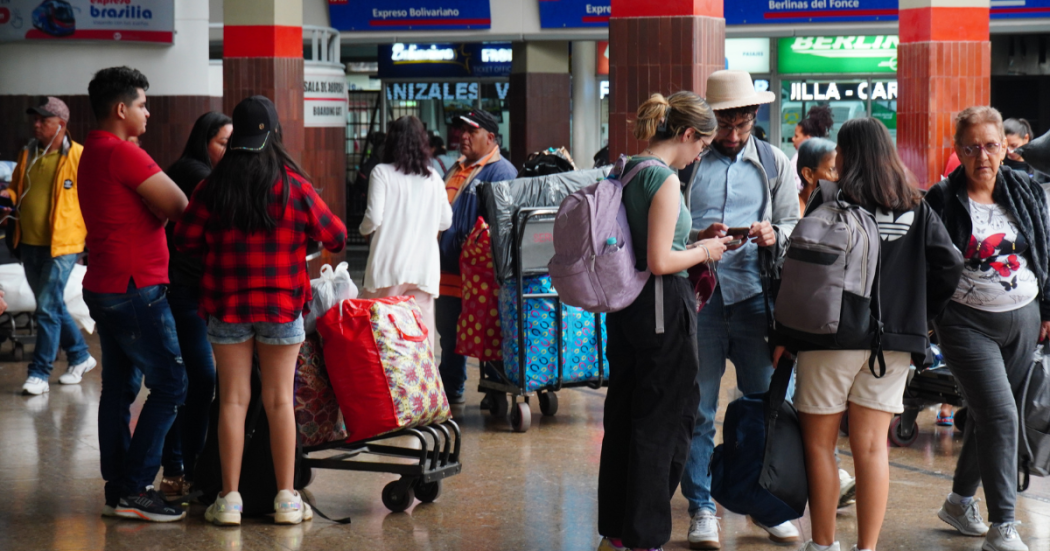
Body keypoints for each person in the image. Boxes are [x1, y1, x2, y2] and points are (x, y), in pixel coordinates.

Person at [782, 117, 963, 551]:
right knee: (872, 450)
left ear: (846, 154)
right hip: (895, 344)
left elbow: (804, 270)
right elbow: (950, 265)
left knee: (821, 447)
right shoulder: (915, 205)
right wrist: (920, 316)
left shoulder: (830, 199)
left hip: (830, 338)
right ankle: (867, 548)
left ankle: (823, 545)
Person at [174, 95, 347, 526]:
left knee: (232, 400)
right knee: (279, 401)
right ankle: (286, 499)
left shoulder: (213, 185)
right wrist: (300, 245)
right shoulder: (294, 185)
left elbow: (184, 241)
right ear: (274, 134)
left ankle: (229, 499)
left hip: (227, 305)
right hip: (282, 305)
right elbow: (338, 235)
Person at [596, 91, 729, 551]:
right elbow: (658, 260)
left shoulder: (627, 167)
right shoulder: (666, 180)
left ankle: (616, 528)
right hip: (660, 307)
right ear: (688, 134)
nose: (700, 155)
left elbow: (646, 236)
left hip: (625, 308)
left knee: (626, 414)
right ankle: (645, 536)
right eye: (702, 145)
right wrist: (707, 251)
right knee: (665, 421)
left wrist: (693, 237)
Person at [679, 69, 801, 548]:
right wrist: (698, 237)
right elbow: (668, 233)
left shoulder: (775, 163)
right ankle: (702, 505)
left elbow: (794, 222)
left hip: (756, 301)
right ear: (709, 120)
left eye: (742, 125)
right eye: (724, 126)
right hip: (701, 301)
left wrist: (776, 234)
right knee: (700, 408)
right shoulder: (687, 164)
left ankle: (764, 503)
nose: (732, 136)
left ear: (754, 118)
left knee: (763, 408)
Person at [926, 106, 1050, 551]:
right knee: (1000, 414)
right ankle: (1004, 525)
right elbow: (927, 266)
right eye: (972, 147)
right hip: (964, 323)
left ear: (1006, 147)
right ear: (958, 150)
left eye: (992, 145)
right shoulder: (941, 199)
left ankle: (960, 502)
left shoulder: (1026, 190)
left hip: (1025, 317)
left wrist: (1047, 311)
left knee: (990, 415)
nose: (983, 155)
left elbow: (1044, 250)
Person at [79, 66, 190, 522]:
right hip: (135, 288)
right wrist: (155, 212)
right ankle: (136, 488)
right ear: (122, 109)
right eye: (143, 104)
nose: (148, 112)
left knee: (119, 388)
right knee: (171, 383)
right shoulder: (125, 155)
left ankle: (118, 486)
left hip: (105, 286)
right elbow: (179, 204)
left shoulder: (90, 152)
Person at [156, 111, 232, 498]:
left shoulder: (199, 170)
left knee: (189, 379)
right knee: (195, 377)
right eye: (223, 143)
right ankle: (181, 465)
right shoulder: (197, 174)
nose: (229, 150)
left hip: (195, 289)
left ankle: (185, 464)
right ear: (205, 141)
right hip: (183, 289)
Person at [7, 96, 96, 395]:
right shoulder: (28, 153)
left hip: (64, 245)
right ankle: (81, 356)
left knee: (45, 307)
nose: (36, 124)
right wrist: (7, 196)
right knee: (53, 304)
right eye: (35, 119)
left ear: (61, 124)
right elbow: (17, 186)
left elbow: (95, 197)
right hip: (29, 242)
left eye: (43, 120)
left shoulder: (79, 156)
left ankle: (39, 373)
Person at [436, 110, 517, 404]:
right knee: (449, 333)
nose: (463, 137)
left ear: (491, 138)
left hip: (479, 276)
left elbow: (503, 224)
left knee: (490, 333)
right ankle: (452, 388)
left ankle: (497, 389)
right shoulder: (455, 167)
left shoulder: (501, 171)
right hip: (447, 272)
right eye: (462, 131)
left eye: (471, 132)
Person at [360, 116, 452, 349]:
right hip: (424, 271)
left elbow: (373, 218)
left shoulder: (381, 173)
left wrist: (364, 230)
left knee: (383, 341)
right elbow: (446, 221)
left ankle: (387, 386)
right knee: (421, 341)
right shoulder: (434, 179)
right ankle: (419, 384)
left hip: (388, 268)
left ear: (392, 142)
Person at [790, 105, 835, 191]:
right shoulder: (828, 155)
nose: (793, 139)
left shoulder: (799, 159)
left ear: (808, 138)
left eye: (796, 136)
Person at [795, 137, 837, 214]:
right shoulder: (791, 214)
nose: (838, 177)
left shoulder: (836, 205)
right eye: (833, 170)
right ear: (808, 174)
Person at [1003, 118, 1048, 184]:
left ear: (1026, 138)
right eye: (1005, 146)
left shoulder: (1039, 165)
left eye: (1014, 145)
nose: (1009, 151)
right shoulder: (999, 165)